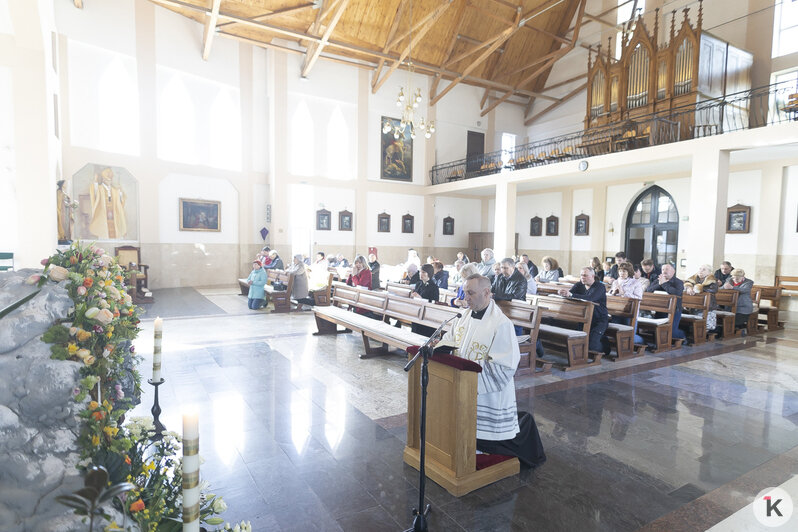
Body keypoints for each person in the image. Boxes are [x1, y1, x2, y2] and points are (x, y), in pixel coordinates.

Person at [436, 275, 546, 469]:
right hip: (461, 387)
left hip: (486, 395)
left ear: (486, 293)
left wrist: (467, 374)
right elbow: (450, 339)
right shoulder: (463, 318)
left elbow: (504, 366)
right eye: (464, 292)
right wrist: (440, 348)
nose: (466, 297)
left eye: (470, 293)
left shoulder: (501, 324)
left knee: (487, 435)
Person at [559, 267, 610, 355]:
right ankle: (599, 339)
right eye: (581, 275)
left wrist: (571, 294)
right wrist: (563, 293)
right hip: (583, 318)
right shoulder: (579, 285)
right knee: (583, 342)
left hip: (599, 320)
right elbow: (570, 294)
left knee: (591, 345)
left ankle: (605, 346)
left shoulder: (599, 286)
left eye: (585, 275)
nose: (582, 277)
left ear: (593, 276)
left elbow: (591, 298)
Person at [646, 263, 686, 340]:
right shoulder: (658, 280)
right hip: (660, 309)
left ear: (673, 271)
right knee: (656, 330)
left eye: (667, 269)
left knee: (672, 333)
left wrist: (664, 284)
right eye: (663, 269)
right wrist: (660, 284)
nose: (664, 271)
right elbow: (648, 290)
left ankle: (683, 335)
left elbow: (676, 293)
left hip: (674, 311)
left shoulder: (678, 282)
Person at [89, 167, 127, 239]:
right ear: (103, 179)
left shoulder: (115, 190)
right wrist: (95, 181)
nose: (109, 181)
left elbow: (121, 200)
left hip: (114, 217)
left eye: (110, 180)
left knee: (117, 233)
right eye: (107, 179)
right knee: (104, 235)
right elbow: (94, 192)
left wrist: (120, 191)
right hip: (103, 217)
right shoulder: (99, 188)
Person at [684, 264, 718, 331]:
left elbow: (713, 290)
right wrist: (689, 287)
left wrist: (699, 288)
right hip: (694, 305)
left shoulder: (712, 280)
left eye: (704, 269)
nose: (701, 271)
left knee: (707, 325)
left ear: (709, 272)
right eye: (700, 269)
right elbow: (687, 283)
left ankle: (703, 333)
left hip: (708, 306)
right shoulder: (694, 278)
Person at [411, 264, 440, 336]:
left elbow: (434, 303)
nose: (421, 274)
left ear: (429, 274)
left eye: (423, 272)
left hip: (427, 315)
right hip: (417, 312)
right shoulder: (418, 284)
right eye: (420, 272)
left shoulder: (434, 287)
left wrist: (421, 299)